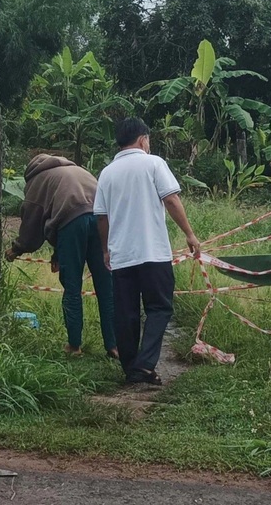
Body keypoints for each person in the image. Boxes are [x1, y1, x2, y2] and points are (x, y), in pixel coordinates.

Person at [94, 118, 200, 385]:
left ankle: (132, 368)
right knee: (159, 308)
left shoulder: (107, 172)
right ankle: (144, 365)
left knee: (126, 312)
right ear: (143, 140)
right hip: (153, 253)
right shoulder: (154, 164)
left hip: (122, 256)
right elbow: (171, 199)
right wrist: (189, 233)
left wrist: (106, 249)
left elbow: (101, 217)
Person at [5, 154, 118, 358]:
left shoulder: (37, 180)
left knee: (72, 286)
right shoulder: (77, 170)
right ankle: (114, 345)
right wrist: (59, 252)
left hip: (72, 223)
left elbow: (32, 226)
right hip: (102, 220)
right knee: (106, 285)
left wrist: (16, 249)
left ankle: (74, 345)